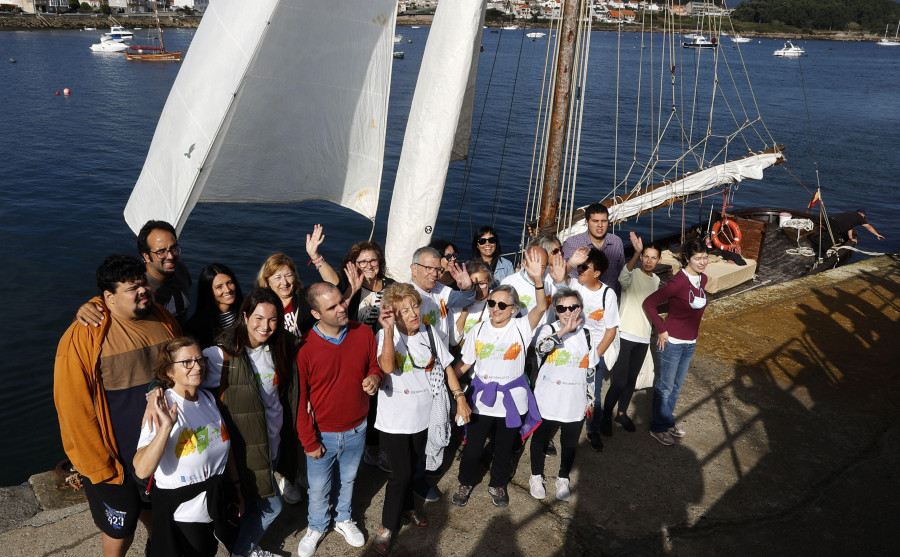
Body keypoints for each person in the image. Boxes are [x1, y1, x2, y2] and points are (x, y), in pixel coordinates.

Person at [54, 254, 179, 557]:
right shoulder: (83, 337)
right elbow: (73, 409)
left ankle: (158, 548)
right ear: (108, 298)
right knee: (120, 528)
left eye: (143, 284)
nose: (143, 291)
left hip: (160, 450)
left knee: (157, 514)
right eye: (132, 288)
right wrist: (98, 466)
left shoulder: (162, 316)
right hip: (116, 462)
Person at [199, 288, 301, 557]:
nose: (265, 326)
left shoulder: (280, 347)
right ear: (244, 316)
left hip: (274, 442)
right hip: (245, 450)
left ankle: (246, 545)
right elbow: (181, 377)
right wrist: (154, 392)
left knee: (253, 506)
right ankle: (242, 552)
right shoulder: (221, 355)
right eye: (258, 318)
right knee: (272, 507)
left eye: (272, 320)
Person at [371, 283, 471, 554]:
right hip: (395, 418)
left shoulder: (429, 331)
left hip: (424, 415)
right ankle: (386, 527)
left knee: (416, 466)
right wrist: (390, 331)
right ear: (393, 314)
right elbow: (388, 367)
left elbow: (446, 366)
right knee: (400, 474)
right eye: (405, 310)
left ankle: (408, 509)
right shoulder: (384, 334)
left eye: (414, 306)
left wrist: (459, 397)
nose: (413, 313)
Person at [451, 249, 548, 509]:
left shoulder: (521, 327)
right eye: (492, 303)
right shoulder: (479, 329)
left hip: (511, 401)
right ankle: (465, 481)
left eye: (502, 305)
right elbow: (465, 364)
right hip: (482, 400)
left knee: (504, 448)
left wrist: (538, 280)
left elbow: (541, 307)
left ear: (514, 308)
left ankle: (498, 483)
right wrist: (445, 381)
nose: (495, 309)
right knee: (472, 449)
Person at [294, 283, 384, 557]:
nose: (342, 307)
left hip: (357, 428)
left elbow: (374, 365)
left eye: (341, 301)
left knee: (348, 479)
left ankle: (343, 518)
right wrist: (309, 441)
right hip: (322, 433)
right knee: (319, 487)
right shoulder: (305, 348)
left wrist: (375, 377)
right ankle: (317, 525)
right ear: (316, 313)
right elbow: (300, 400)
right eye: (332, 306)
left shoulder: (364, 332)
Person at [134, 337, 239, 557]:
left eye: (200, 360)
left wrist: (237, 489)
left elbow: (225, 450)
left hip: (214, 506)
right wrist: (166, 428)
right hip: (183, 518)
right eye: (187, 362)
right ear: (170, 372)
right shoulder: (160, 407)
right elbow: (142, 469)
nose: (197, 366)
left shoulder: (208, 398)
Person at [529, 287, 598, 502]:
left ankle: (563, 477)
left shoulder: (586, 334)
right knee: (540, 439)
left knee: (569, 443)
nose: (568, 312)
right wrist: (563, 332)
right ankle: (536, 476)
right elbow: (540, 349)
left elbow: (590, 370)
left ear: (580, 309)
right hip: (547, 398)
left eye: (573, 307)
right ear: (556, 310)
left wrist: (591, 400)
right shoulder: (547, 329)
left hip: (574, 400)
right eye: (562, 308)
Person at [643, 238, 709, 446]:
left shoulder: (702, 280)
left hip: (690, 342)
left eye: (705, 258)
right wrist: (661, 330)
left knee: (677, 386)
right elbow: (649, 303)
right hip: (672, 343)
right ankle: (658, 427)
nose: (702, 262)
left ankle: (667, 420)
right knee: (665, 387)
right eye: (697, 258)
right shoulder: (678, 282)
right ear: (687, 258)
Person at [75, 220, 191, 328]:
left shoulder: (179, 268)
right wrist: (88, 308)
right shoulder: (138, 284)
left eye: (173, 248)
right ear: (146, 256)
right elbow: (108, 302)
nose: (170, 256)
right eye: (161, 252)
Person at [600, 233, 660, 437]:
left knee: (631, 381)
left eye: (653, 257)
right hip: (625, 335)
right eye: (646, 256)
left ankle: (622, 413)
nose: (649, 261)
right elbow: (622, 277)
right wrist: (634, 253)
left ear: (659, 260)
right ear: (642, 258)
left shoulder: (657, 280)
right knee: (618, 381)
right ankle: (605, 416)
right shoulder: (632, 275)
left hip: (643, 338)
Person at [566, 247, 620, 452]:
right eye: (578, 267)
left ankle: (592, 430)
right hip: (571, 351)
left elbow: (610, 331)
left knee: (593, 395)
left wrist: (595, 357)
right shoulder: (574, 287)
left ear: (596, 273)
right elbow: (559, 275)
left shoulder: (608, 295)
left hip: (594, 354)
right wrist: (572, 261)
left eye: (583, 268)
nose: (578, 271)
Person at [255, 224, 341, 337]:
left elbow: (334, 285)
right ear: (267, 281)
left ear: (295, 276)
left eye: (289, 275)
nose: (284, 282)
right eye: (277, 278)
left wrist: (315, 256)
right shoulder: (261, 305)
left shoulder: (305, 298)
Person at [409, 246, 476, 344]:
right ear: (414, 269)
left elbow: (465, 300)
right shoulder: (406, 297)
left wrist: (467, 288)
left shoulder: (439, 289)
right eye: (428, 268)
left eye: (438, 269)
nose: (435, 274)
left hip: (444, 356)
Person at [561, 203, 626, 297]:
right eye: (595, 221)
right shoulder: (571, 244)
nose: (600, 225)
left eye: (603, 221)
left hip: (608, 300)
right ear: (587, 222)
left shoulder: (616, 242)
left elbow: (621, 274)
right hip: (580, 302)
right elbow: (561, 274)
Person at [184, 263, 245, 349]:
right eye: (219, 287)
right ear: (209, 291)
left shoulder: (246, 313)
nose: (227, 290)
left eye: (229, 283)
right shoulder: (197, 326)